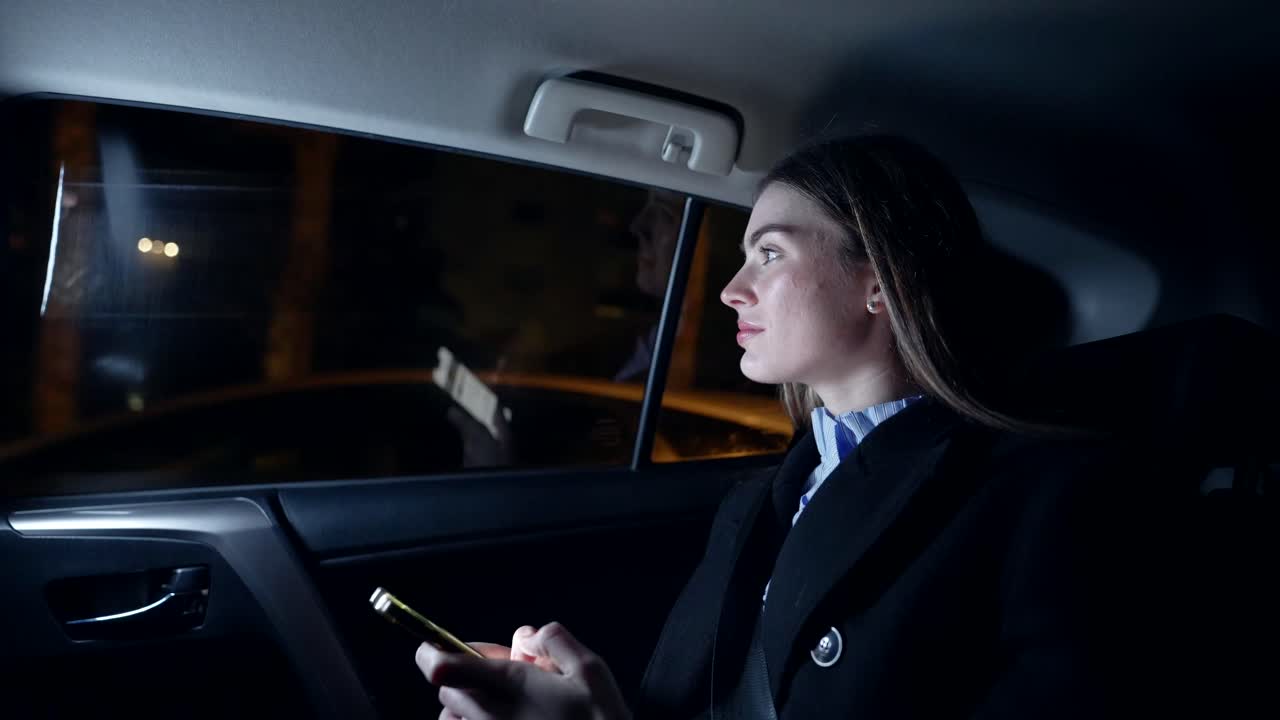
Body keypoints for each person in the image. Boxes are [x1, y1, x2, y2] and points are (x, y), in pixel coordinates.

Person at [412, 136, 1162, 718]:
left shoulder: (1054, 499)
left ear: (879, 281)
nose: (732, 290)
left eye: (768, 253)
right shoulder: (757, 504)